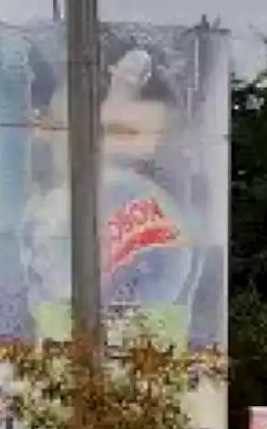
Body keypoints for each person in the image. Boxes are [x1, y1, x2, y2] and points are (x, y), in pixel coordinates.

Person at [23, 41, 197, 349]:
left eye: (123, 133)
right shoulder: (43, 212)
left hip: (137, 365)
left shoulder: (160, 215)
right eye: (101, 130)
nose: (105, 146)